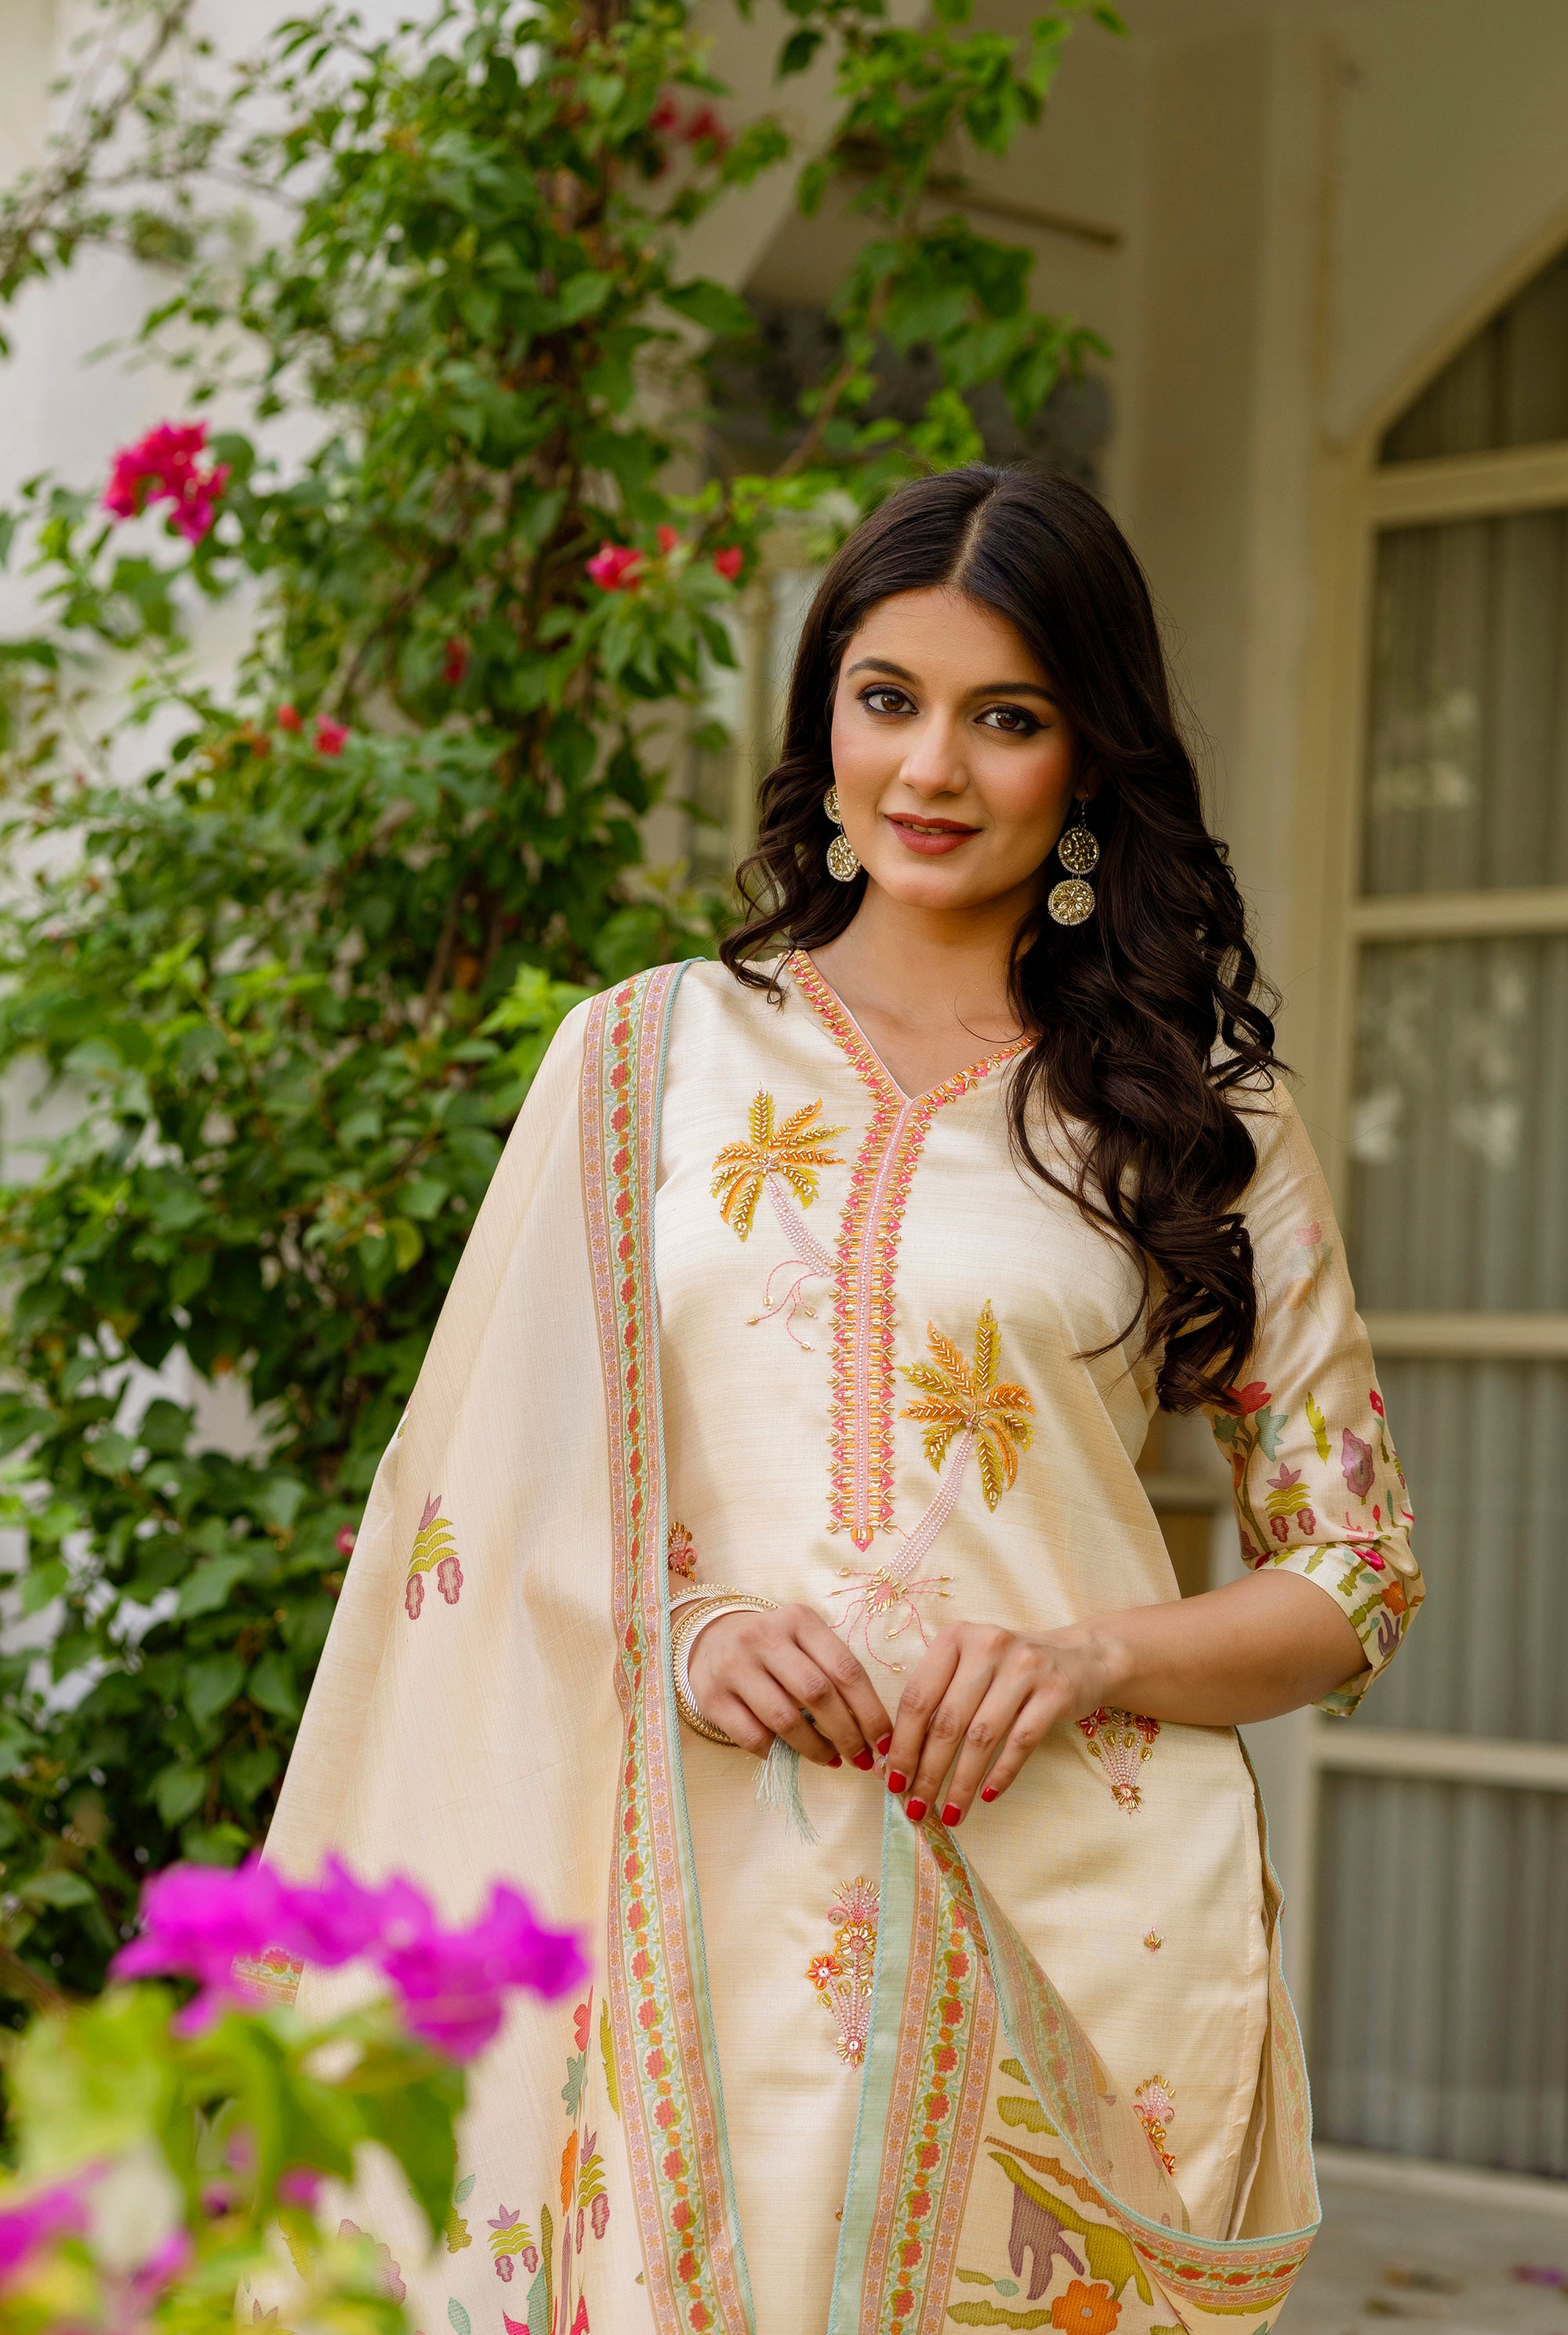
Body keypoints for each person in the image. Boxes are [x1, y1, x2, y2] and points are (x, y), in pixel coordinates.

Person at [263, 464, 1421, 2335]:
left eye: (1007, 716)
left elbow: (1354, 1572)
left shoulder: (1199, 1119)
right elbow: (470, 1512)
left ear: (1086, 761)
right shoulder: (643, 1059)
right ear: (823, 720)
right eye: (888, 699)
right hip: (674, 1901)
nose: (933, 771)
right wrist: (683, 1618)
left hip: (1061, 1928)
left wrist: (1084, 1661)